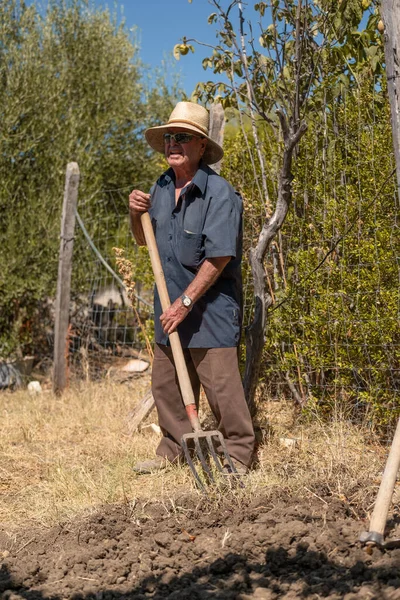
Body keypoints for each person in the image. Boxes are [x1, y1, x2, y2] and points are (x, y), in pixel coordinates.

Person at [129, 101, 255, 475]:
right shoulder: (162, 187)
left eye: (182, 138)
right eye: (169, 137)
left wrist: (185, 302)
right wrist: (136, 214)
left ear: (201, 146)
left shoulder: (219, 193)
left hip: (209, 311)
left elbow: (219, 258)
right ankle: (174, 451)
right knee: (166, 387)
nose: (173, 143)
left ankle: (237, 455)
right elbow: (143, 240)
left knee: (222, 392)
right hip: (169, 308)